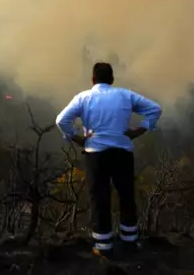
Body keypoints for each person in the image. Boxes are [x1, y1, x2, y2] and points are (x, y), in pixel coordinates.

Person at [55, 62, 162, 257]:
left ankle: (103, 247)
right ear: (112, 80)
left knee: (99, 198)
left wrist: (76, 137)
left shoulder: (84, 98)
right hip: (122, 153)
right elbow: (155, 109)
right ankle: (129, 242)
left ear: (92, 79)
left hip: (96, 154)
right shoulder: (125, 95)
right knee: (126, 196)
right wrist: (140, 130)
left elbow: (61, 120)